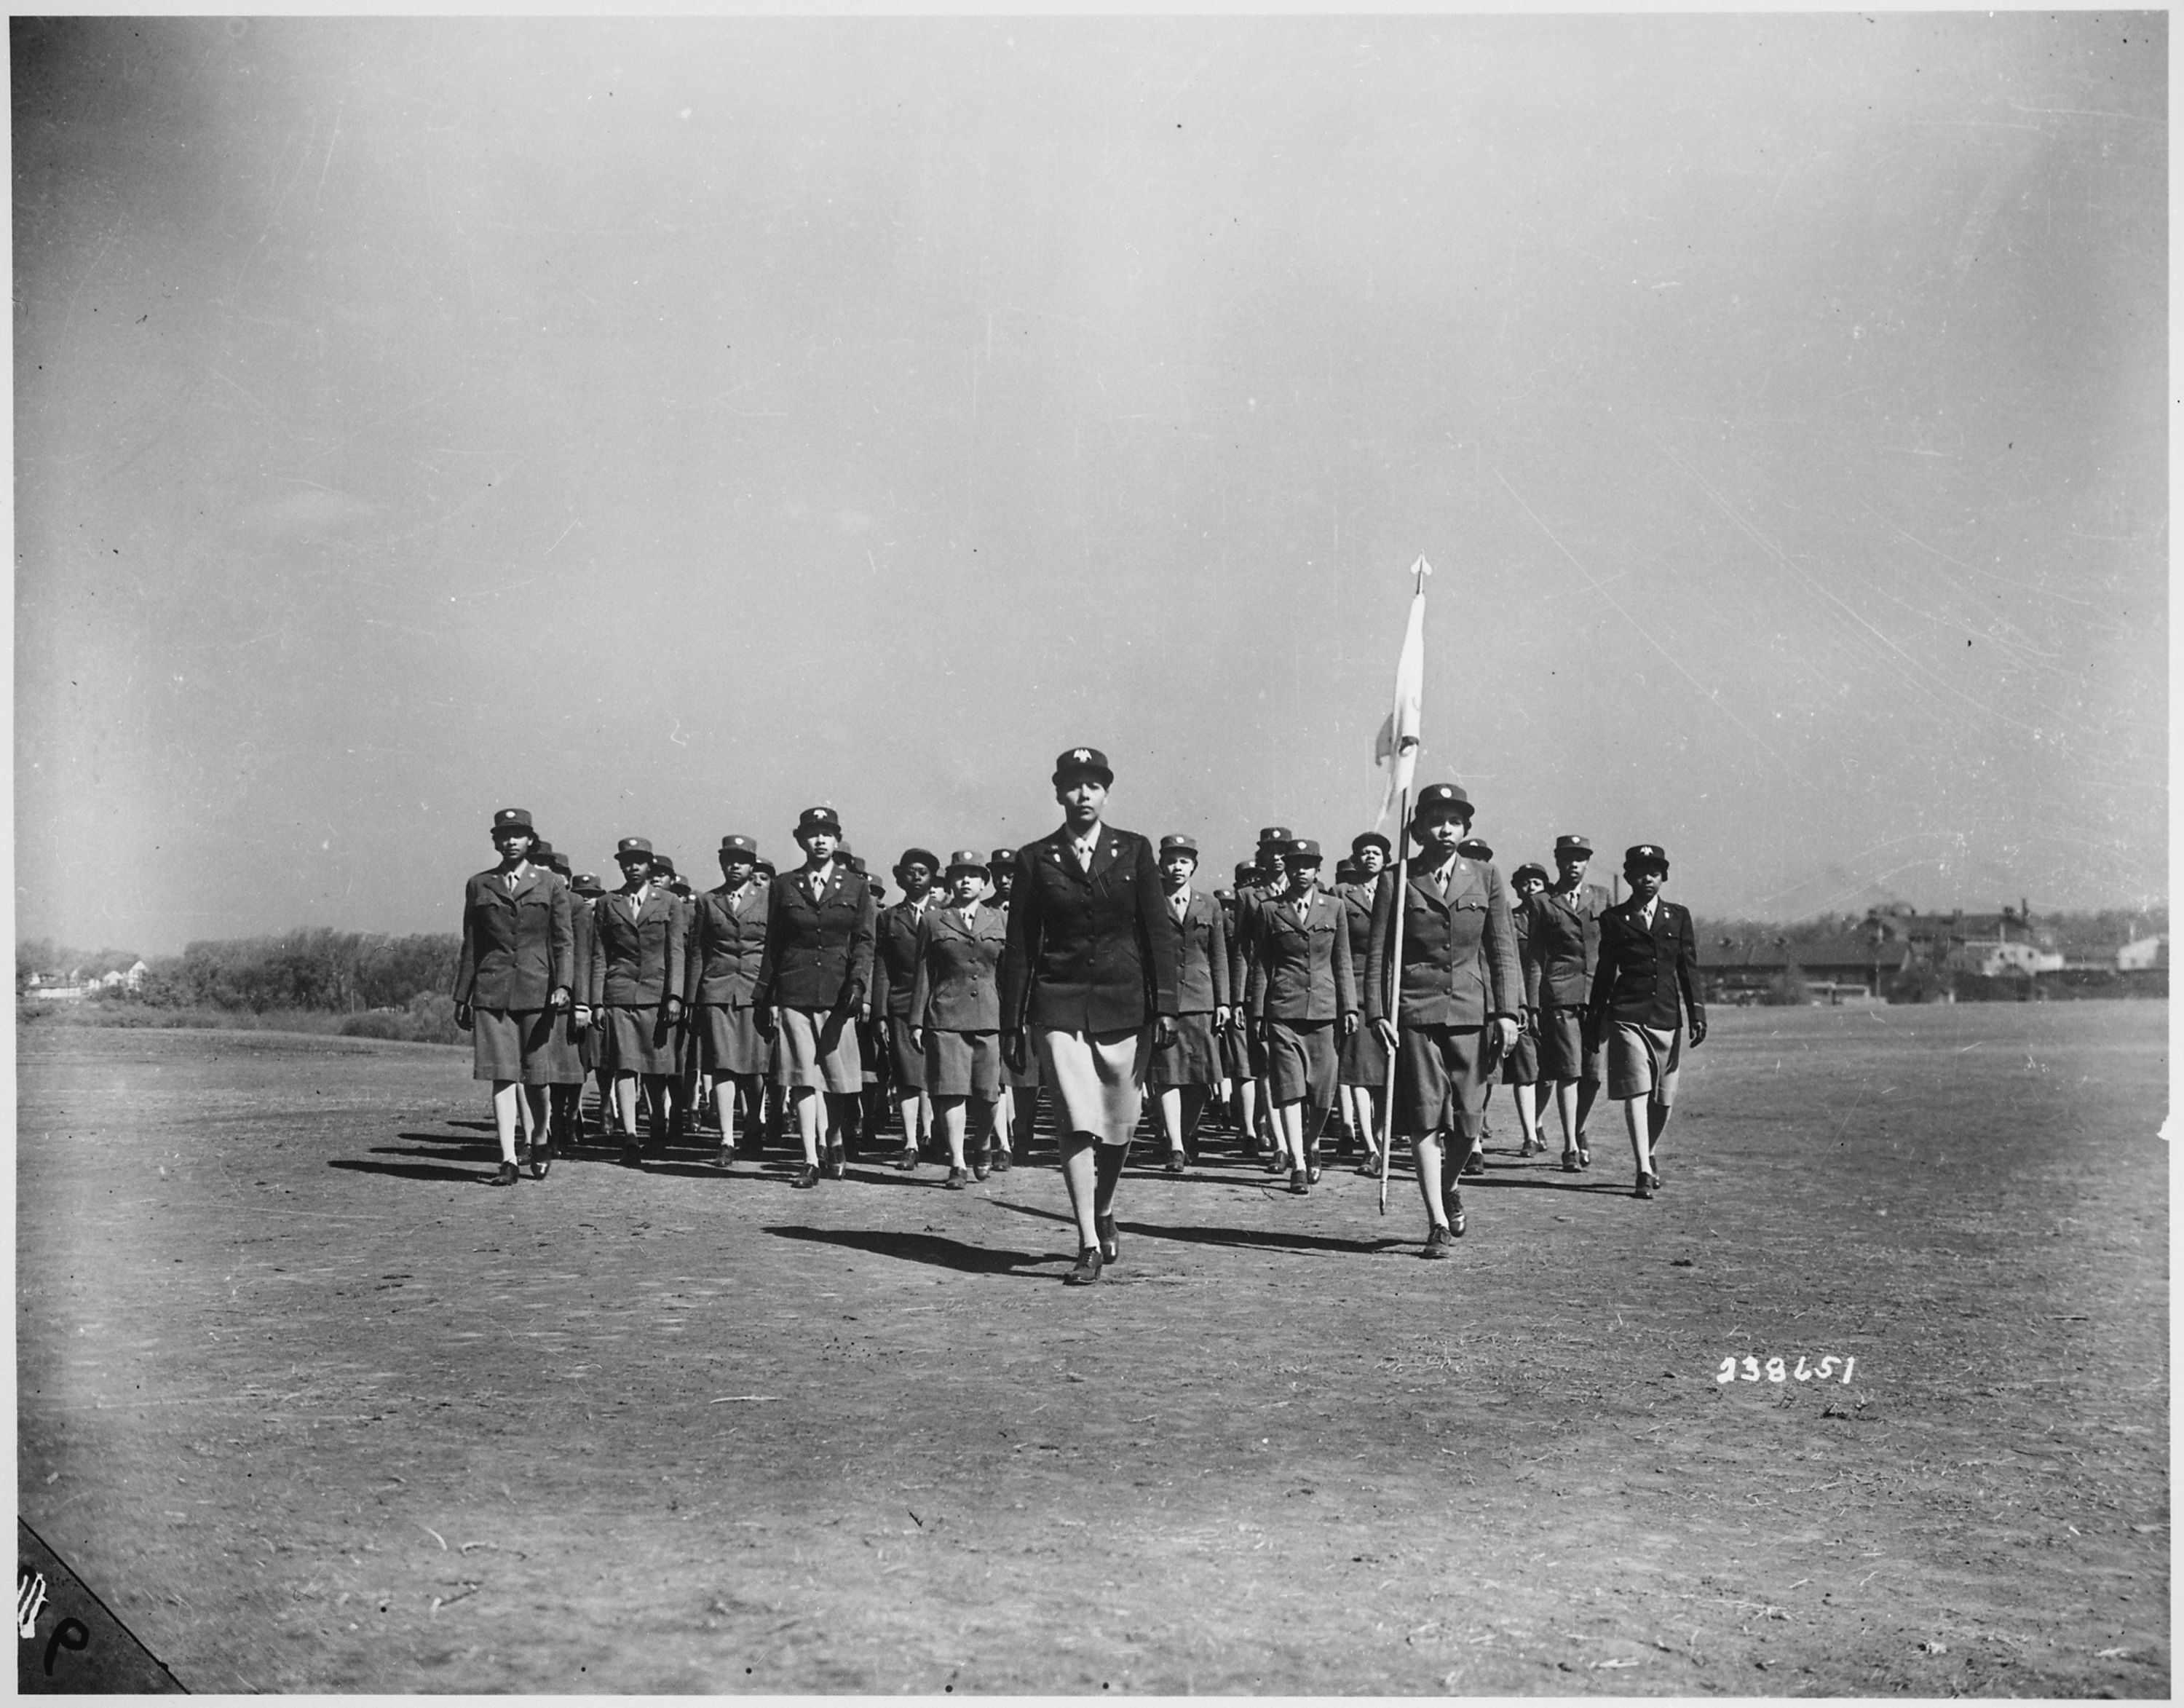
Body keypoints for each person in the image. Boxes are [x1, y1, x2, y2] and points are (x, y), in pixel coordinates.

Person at [999, 748, 1179, 1285]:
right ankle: (1088, 1241)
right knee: (1075, 1121)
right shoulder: (1037, 858)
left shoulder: (1136, 851)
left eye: (1093, 785)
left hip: (1126, 1005)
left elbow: (1157, 933)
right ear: (1059, 794)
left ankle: (1104, 1205)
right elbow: (1020, 947)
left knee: (1119, 1127)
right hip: (1059, 1004)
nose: (1083, 794)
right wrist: (1014, 1023)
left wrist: (1166, 1004)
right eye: (1073, 785)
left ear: (1106, 794)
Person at [1364, 783, 1522, 1257]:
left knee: (1470, 1124)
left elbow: (1503, 950)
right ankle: (1435, 1220)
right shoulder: (1398, 878)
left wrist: (1508, 1012)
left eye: (1455, 820)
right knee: (1425, 1116)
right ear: (1418, 828)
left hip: (1473, 1013)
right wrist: (1377, 1013)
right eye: (1436, 819)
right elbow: (1378, 955)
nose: (1446, 828)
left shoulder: (1487, 876)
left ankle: (1448, 1186)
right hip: (1414, 1011)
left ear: (1466, 827)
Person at [753, 807, 878, 1189]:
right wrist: (764, 996)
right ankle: (810, 1156)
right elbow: (773, 943)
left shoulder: (857, 886)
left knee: (837, 1078)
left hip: (839, 995)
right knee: (802, 1078)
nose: (820, 840)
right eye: (813, 834)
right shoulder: (785, 885)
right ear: (800, 840)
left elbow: (865, 941)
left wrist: (858, 983)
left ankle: (835, 1141)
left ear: (837, 839)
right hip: (795, 990)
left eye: (827, 833)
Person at [453, 807, 576, 1186]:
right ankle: (507, 1158)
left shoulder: (551, 883)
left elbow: (563, 941)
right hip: (492, 992)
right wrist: (463, 995)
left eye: (518, 835)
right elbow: (472, 944)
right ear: (495, 841)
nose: (511, 841)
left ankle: (540, 1137)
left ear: (530, 841)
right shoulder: (479, 884)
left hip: (538, 993)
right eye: (504, 835)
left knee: (537, 1080)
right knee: (502, 1077)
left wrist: (564, 986)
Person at [1587, 844, 1706, 1199]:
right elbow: (1605, 973)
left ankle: (1649, 1153)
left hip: (1668, 1016)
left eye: (1654, 872)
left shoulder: (1679, 917)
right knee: (1636, 1091)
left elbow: (1688, 969)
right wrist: (1596, 1019)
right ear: (1628, 878)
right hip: (1627, 1015)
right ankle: (1641, 1168)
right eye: (1640, 873)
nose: (1647, 879)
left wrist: (1697, 1012)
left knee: (1663, 1099)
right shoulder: (1613, 920)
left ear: (1664, 877)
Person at [1246, 838, 1358, 1193]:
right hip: (1283, 1008)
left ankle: (1312, 1143)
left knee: (1323, 1094)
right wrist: (1259, 1010)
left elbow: (1343, 961)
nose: (1301, 871)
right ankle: (1296, 1161)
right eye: (1294, 865)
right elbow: (1262, 962)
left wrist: (1349, 1007)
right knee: (1289, 1089)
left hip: (1324, 1010)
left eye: (1308, 865)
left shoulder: (1334, 906)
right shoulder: (1269, 909)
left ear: (1317, 869)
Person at [909, 851, 1010, 1187]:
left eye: (973, 875)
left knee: (988, 1094)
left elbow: (1009, 975)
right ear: (949, 882)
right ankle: (957, 1162)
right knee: (951, 1092)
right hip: (946, 1017)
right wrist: (916, 1021)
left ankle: (982, 1144)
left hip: (990, 1019)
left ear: (984, 883)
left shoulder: (998, 920)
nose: (965, 881)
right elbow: (923, 972)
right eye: (959, 875)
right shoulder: (934, 920)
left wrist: (1015, 1021)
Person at [587, 837, 687, 1168]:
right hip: (619, 994)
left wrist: (674, 996)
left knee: (658, 1069)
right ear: (620, 865)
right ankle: (630, 1136)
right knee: (624, 1066)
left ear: (650, 866)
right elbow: (599, 954)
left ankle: (657, 1123)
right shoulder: (607, 903)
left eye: (640, 861)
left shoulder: (669, 902)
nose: (633, 867)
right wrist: (597, 1001)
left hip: (657, 997)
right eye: (627, 861)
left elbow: (676, 951)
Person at [1529, 834, 1613, 1172]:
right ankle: (1570, 1146)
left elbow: (1612, 948)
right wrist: (1533, 1004)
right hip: (1560, 994)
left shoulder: (1603, 898)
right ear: (1557, 861)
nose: (1574, 864)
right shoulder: (1542, 902)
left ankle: (1579, 1128)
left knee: (1592, 1075)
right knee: (1569, 1071)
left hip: (1597, 996)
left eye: (1580, 858)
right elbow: (1534, 955)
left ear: (1588, 862)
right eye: (1567, 858)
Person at [684, 834, 769, 1169]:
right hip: (717, 991)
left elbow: (773, 950)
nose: (735, 865)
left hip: (754, 991)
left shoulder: (767, 899)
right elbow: (697, 951)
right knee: (722, 1065)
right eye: (729, 859)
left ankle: (754, 1127)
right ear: (721, 863)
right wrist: (693, 998)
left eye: (742, 860)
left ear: (752, 865)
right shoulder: (708, 901)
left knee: (755, 1067)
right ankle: (726, 1139)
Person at [1148, 834, 1230, 1173]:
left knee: (1199, 1078)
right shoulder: (1152, 901)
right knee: (1168, 1075)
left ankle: (1185, 1132)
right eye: (1170, 860)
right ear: (1161, 864)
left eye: (1184, 861)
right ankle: (1176, 1146)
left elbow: (1219, 956)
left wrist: (1223, 1002)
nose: (1177, 867)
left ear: (1194, 866)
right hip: (1166, 1002)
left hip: (1201, 998)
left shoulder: (1208, 904)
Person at [870, 848, 941, 1171]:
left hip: (940, 1005)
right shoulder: (888, 917)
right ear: (901, 877)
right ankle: (911, 1142)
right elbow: (882, 967)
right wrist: (880, 1014)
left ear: (932, 878)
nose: (916, 877)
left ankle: (934, 1136)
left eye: (922, 872)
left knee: (937, 1076)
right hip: (901, 1003)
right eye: (910, 871)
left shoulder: (946, 914)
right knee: (907, 1077)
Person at [1338, 832, 1392, 1174]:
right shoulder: (1342, 896)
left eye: (1376, 853)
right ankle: (1369, 1147)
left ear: (1385, 859)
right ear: (1356, 860)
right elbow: (1339, 949)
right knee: (1360, 1073)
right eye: (1364, 853)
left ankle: (1384, 1142)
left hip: (1393, 991)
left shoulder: (1399, 892)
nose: (1370, 857)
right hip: (1358, 991)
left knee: (1389, 1075)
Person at [986, 847, 1036, 1169]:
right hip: (994, 1000)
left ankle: (1024, 1134)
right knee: (999, 1075)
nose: (1005, 880)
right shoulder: (983, 910)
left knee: (1027, 1077)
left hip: (1029, 1001)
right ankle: (1002, 1143)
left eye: (1011, 873)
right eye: (998, 874)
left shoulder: (1035, 908)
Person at [1502, 862, 1551, 1157]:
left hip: (1553, 1001)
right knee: (1526, 1070)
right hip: (1522, 1003)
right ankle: (1529, 1135)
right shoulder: (1511, 919)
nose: (1531, 888)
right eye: (1525, 883)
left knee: (1549, 1074)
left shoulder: (1556, 916)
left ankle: (1538, 1121)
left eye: (1537, 883)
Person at [567, 871, 610, 1134]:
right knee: (577, 1062)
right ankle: (574, 1113)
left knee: (605, 1062)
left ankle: (606, 1106)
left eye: (592, 896)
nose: (586, 900)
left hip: (604, 1000)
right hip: (578, 1000)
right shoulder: (570, 921)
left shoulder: (607, 923)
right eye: (581, 895)